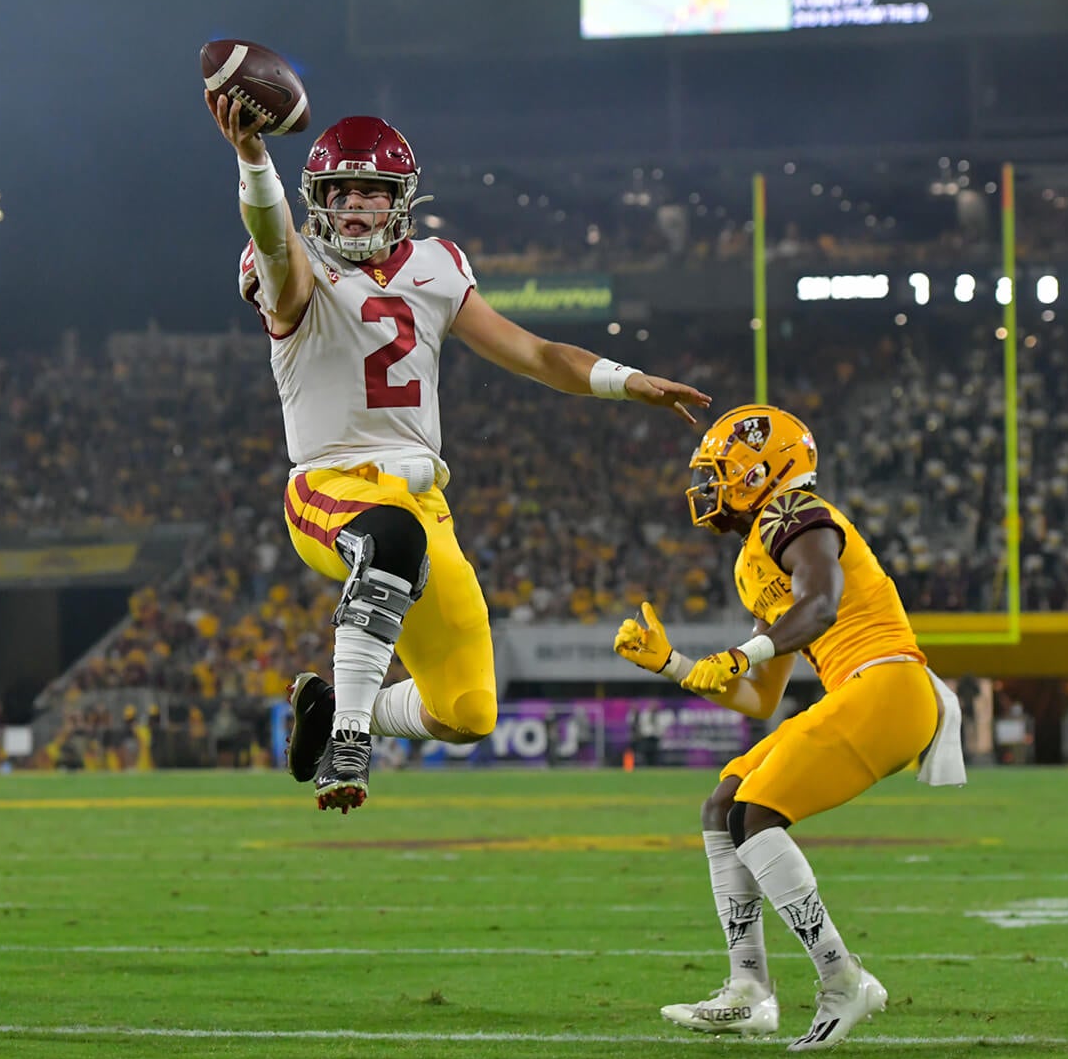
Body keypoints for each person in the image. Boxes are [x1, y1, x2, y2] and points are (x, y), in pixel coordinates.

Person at [208, 93, 710, 812]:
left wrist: (627, 382)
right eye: (339, 192)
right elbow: (274, 238)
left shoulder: (438, 267)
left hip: (422, 505)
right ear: (314, 200)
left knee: (468, 710)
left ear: (400, 201)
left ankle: (332, 712)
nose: (353, 206)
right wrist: (252, 157)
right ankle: (351, 739)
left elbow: (535, 351)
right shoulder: (298, 267)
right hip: (329, 487)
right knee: (390, 536)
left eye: (371, 192)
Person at [613, 405, 964, 1051]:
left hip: (888, 681)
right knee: (724, 804)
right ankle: (749, 988)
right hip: (865, 688)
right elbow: (758, 697)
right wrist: (674, 663)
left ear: (762, 469)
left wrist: (742, 653)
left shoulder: (794, 513)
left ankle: (841, 976)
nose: (708, 486)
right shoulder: (755, 554)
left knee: (755, 811)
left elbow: (821, 605)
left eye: (721, 471)